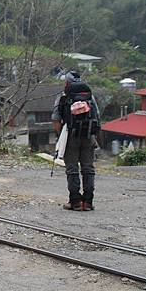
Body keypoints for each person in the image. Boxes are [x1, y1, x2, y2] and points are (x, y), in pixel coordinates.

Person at [52, 71, 100, 211]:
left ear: (67, 83)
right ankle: (88, 202)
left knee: (72, 169)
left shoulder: (63, 97)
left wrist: (60, 136)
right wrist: (94, 135)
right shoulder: (90, 97)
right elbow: (97, 116)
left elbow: (56, 119)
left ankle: (75, 202)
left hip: (70, 135)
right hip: (88, 136)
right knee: (88, 169)